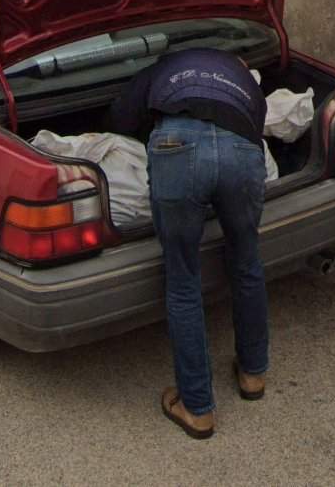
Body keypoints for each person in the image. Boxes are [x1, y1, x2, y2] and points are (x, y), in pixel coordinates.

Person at [109, 47, 269, 439]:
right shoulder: (243, 77)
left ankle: (197, 408)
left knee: (183, 282)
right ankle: (253, 374)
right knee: (247, 262)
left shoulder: (163, 68)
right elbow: (258, 122)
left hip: (176, 146)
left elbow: (120, 118)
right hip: (243, 151)